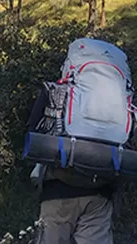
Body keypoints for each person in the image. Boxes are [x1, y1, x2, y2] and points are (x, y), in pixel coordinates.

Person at [27, 86, 116, 244]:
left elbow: (33, 138)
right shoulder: (114, 96)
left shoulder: (55, 91)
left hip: (58, 191)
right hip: (99, 193)